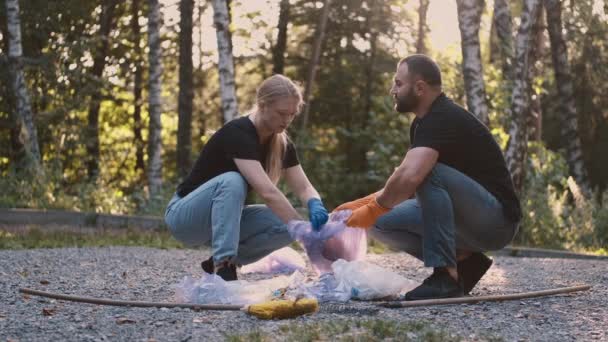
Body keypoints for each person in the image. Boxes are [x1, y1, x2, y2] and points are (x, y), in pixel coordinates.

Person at [334, 54, 521, 300]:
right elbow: (404, 185)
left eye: (398, 83)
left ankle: (445, 277)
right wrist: (355, 208)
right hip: (468, 219)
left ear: (419, 87)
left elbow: (412, 176)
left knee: (425, 171)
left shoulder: (442, 117)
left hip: (496, 221)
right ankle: (465, 262)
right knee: (379, 222)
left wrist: (371, 207)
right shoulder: (422, 124)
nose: (393, 90)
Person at [164, 74, 329, 281]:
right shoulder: (238, 133)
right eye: (281, 113)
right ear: (263, 105)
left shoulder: (282, 143)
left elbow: (304, 187)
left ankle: (219, 262)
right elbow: (268, 193)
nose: (287, 121)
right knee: (232, 180)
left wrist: (315, 203)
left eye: (292, 115)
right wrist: (304, 232)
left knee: (286, 227)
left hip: (224, 220)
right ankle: (224, 267)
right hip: (184, 219)